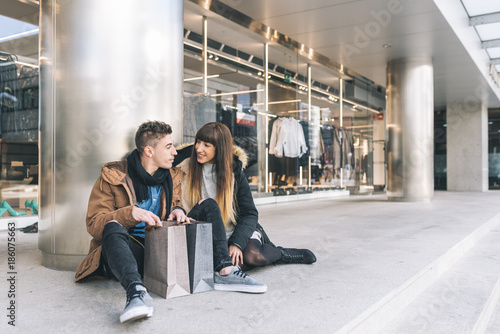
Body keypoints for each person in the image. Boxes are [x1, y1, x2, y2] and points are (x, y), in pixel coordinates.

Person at [75, 121, 265, 324]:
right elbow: (94, 225)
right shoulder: (113, 177)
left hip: (160, 246)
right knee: (112, 226)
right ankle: (137, 292)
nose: (175, 152)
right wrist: (130, 213)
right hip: (129, 250)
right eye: (169, 147)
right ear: (149, 150)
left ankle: (224, 270)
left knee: (208, 205)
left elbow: (177, 203)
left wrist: (178, 210)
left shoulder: (171, 176)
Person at [174, 122, 316, 272]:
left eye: (206, 145)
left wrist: (237, 243)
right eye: (198, 142)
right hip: (205, 232)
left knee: (255, 257)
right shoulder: (183, 165)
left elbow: (249, 212)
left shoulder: (234, 172)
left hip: (233, 230)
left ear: (220, 149)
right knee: (219, 265)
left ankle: (281, 254)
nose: (199, 148)